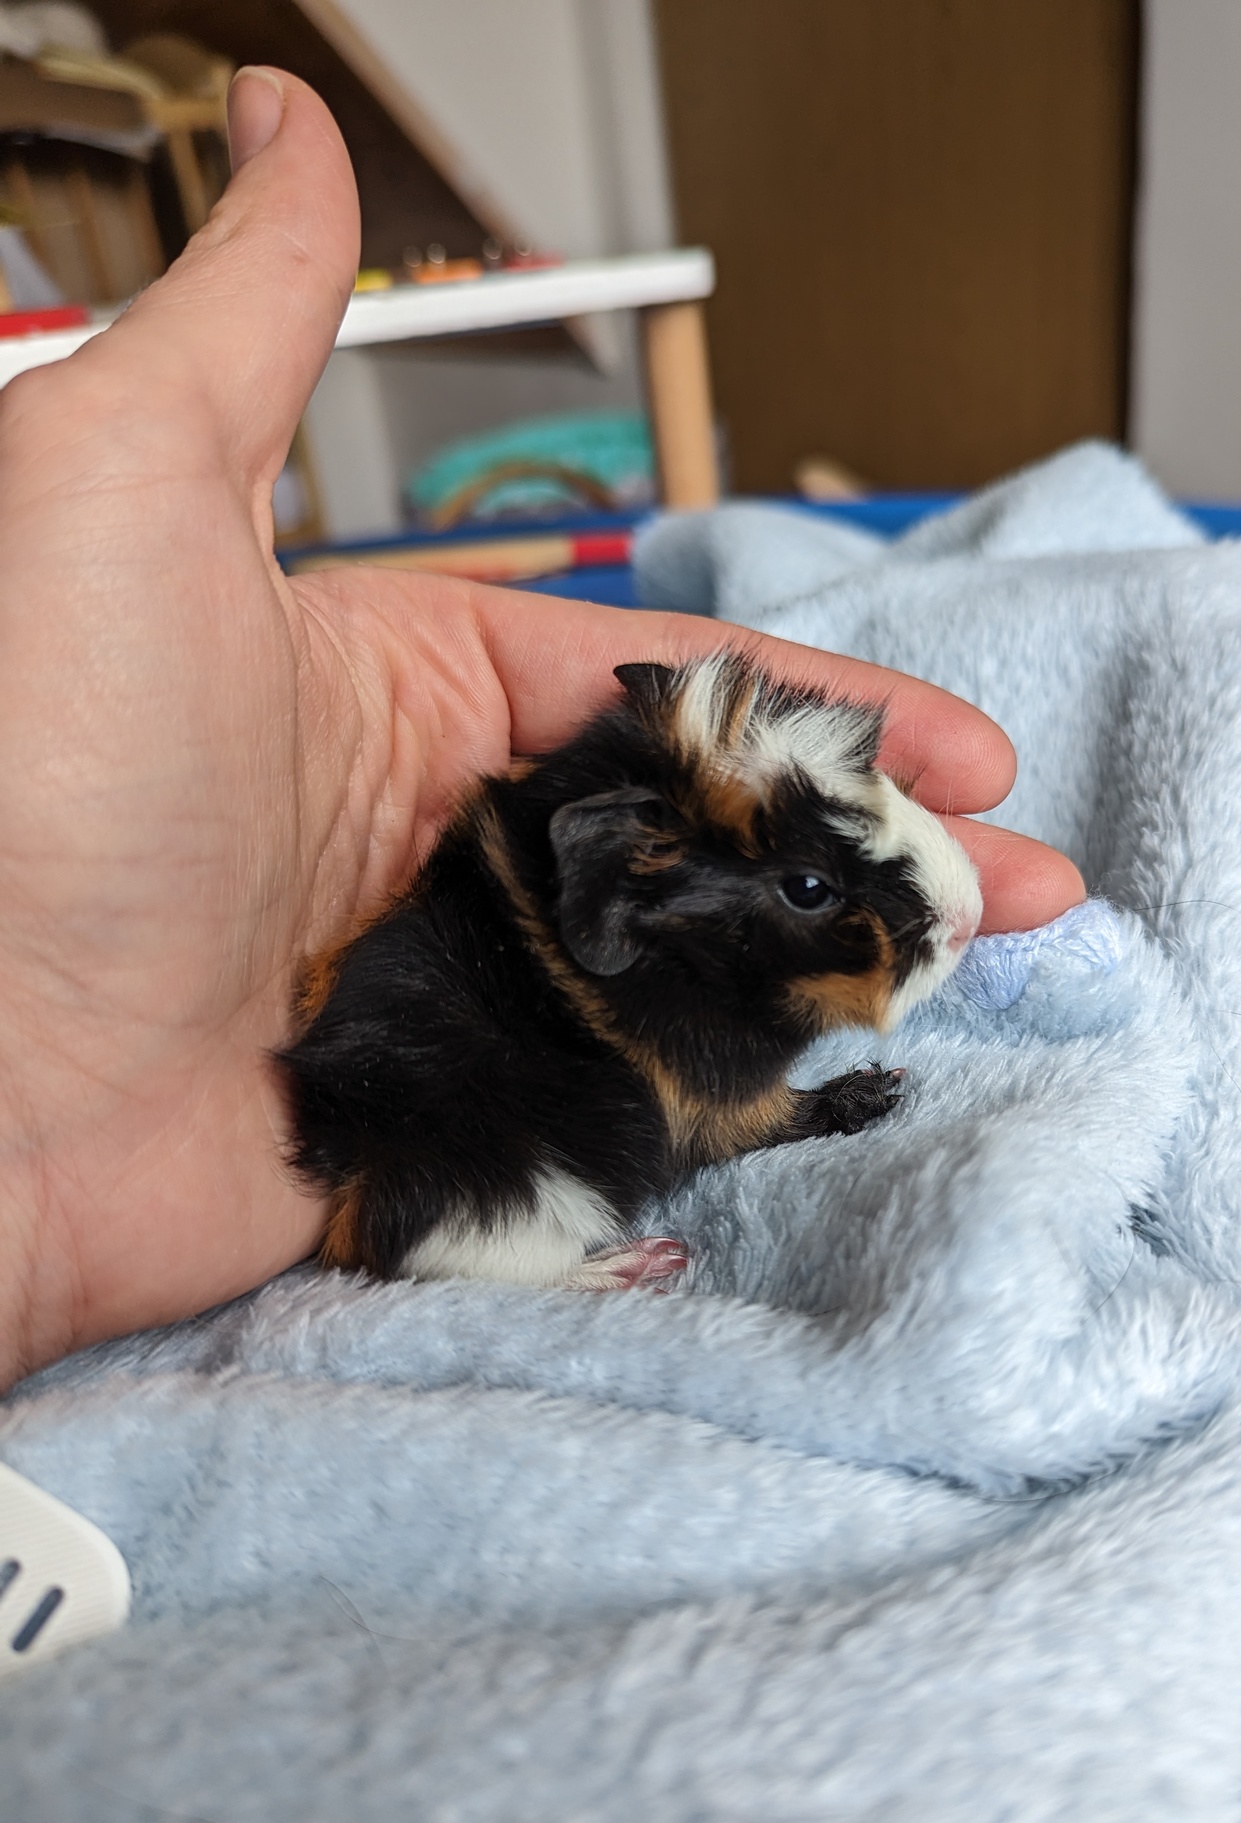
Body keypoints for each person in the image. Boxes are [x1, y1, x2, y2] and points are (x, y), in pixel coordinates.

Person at [0, 69, 1084, 1391]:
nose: (949, 905)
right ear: (630, 889)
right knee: (527, 1167)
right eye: (808, 887)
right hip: (447, 1176)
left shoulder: (647, 967)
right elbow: (685, 1099)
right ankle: (495, 1251)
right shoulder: (607, 1008)